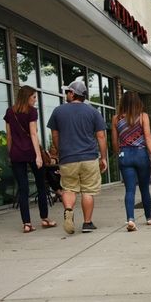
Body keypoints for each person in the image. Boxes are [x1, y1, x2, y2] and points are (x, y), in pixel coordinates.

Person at [47, 79, 108, 234]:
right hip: (89, 157)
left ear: (73, 94)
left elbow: (55, 135)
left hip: (68, 158)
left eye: (68, 91)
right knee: (87, 191)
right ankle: (87, 223)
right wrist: (103, 158)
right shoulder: (93, 112)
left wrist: (61, 151)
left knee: (69, 189)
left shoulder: (58, 111)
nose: (66, 94)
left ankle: (68, 210)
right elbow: (101, 136)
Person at [4, 85, 56, 233]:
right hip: (31, 153)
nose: (35, 100)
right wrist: (38, 156)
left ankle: (26, 223)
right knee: (41, 186)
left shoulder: (10, 111)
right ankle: (44, 218)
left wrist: (10, 153)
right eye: (34, 97)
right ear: (27, 97)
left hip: (16, 154)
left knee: (23, 189)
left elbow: (9, 136)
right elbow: (33, 134)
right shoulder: (32, 112)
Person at [110, 91, 151, 232]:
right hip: (141, 155)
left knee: (129, 189)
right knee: (144, 188)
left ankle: (130, 219)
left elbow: (114, 141)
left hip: (124, 155)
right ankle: (149, 217)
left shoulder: (116, 119)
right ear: (137, 102)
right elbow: (148, 137)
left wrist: (118, 153)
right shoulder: (143, 117)